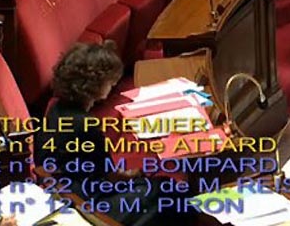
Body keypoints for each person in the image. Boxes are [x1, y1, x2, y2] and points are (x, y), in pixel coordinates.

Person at [35, 41, 194, 226]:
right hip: (87, 206)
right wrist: (135, 175)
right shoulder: (85, 125)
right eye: (110, 82)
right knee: (167, 191)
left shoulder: (55, 109)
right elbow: (109, 177)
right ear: (95, 85)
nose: (113, 86)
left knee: (161, 187)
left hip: (65, 190)